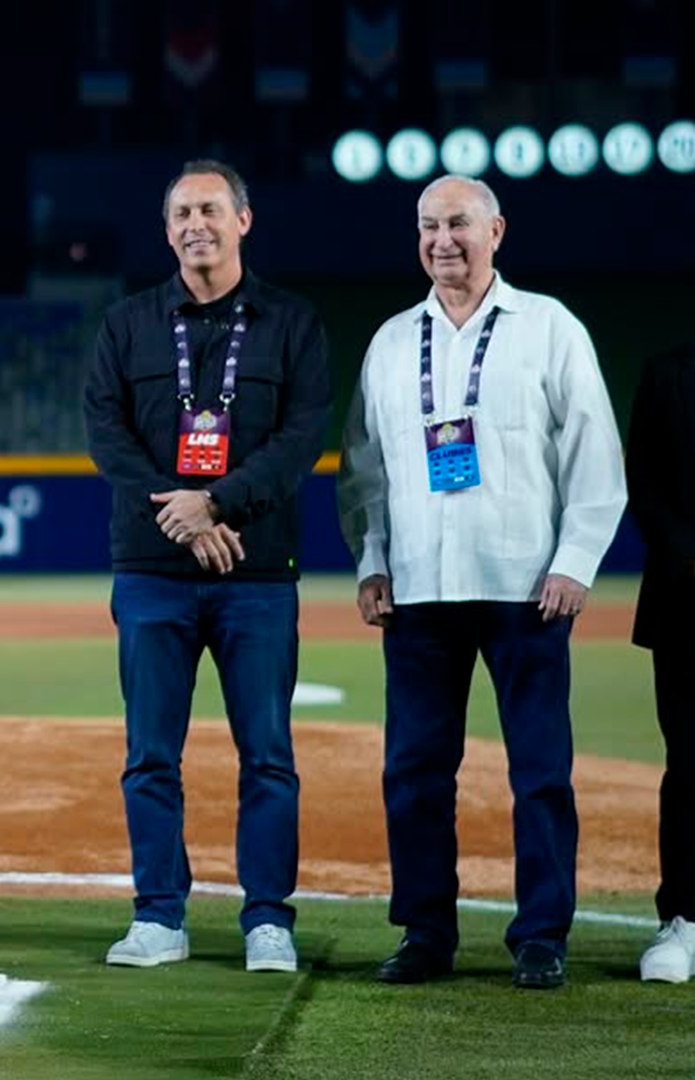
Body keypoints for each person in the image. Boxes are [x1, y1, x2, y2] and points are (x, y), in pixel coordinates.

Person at [338, 175, 626, 991]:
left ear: (495, 230)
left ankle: (541, 934)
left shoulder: (547, 328)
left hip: (524, 589)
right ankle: (425, 933)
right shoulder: (392, 341)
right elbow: (362, 467)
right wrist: (371, 561)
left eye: (458, 224)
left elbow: (593, 454)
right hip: (420, 593)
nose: (442, 241)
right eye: (427, 226)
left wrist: (574, 559)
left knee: (538, 771)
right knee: (414, 773)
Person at [83, 159, 331, 974]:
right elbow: (107, 437)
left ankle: (268, 920)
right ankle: (158, 916)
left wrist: (216, 505)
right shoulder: (125, 325)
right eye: (182, 212)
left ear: (243, 221)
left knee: (266, 753)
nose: (197, 224)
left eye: (211, 210)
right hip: (152, 570)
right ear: (166, 230)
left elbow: (299, 439)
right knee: (150, 754)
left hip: (256, 575)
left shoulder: (292, 324)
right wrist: (183, 517)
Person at [629, 341, 695, 984]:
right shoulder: (668, 367)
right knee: (689, 764)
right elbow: (643, 476)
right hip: (686, 598)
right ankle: (684, 917)